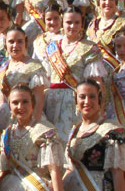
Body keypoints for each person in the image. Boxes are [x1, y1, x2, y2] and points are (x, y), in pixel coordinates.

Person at [41, 8, 109, 143]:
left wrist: (99, 108)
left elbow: (96, 82)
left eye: (77, 22)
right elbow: (45, 77)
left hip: (74, 101)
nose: (72, 26)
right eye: (69, 22)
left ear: (82, 24)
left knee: (71, 140)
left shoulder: (89, 48)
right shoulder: (51, 47)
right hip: (51, 100)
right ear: (62, 22)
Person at [0, 27, 46, 129]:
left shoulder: (34, 66)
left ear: (25, 43)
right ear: (5, 44)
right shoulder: (4, 66)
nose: (15, 46)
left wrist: (32, 125)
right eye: (11, 42)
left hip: (27, 117)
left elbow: (38, 99)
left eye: (19, 42)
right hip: (5, 118)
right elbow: (1, 98)